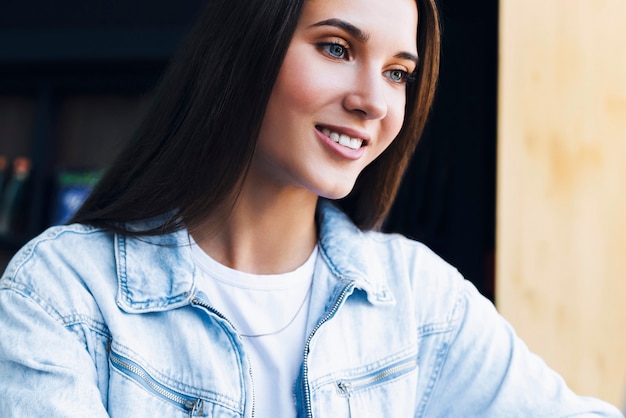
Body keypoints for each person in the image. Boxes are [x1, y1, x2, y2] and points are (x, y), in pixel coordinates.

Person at [0, 0, 623, 416]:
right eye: (336, 49)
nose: (373, 101)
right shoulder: (61, 294)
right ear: (248, 51)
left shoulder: (415, 299)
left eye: (399, 73)